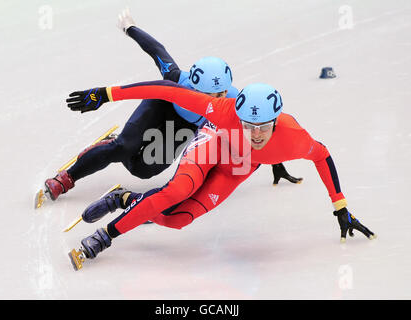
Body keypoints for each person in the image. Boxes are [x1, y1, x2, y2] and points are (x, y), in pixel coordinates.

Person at [65, 80, 376, 268]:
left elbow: (322, 156)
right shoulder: (223, 110)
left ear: (276, 122)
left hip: (235, 170)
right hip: (211, 147)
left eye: (263, 128)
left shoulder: (295, 137)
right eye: (247, 126)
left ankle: (126, 200)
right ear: (236, 115)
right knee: (175, 192)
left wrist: (340, 205)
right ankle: (104, 237)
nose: (255, 135)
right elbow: (164, 90)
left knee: (177, 220)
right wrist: (105, 93)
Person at [44, 9, 301, 202]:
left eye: (220, 94)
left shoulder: (236, 101)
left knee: (143, 170)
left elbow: (259, 128)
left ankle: (112, 146)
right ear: (194, 86)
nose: (214, 100)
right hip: (162, 105)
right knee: (124, 147)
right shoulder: (177, 78)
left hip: (185, 124)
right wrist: (130, 27)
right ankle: (67, 178)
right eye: (206, 94)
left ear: (228, 89)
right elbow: (157, 50)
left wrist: (275, 162)